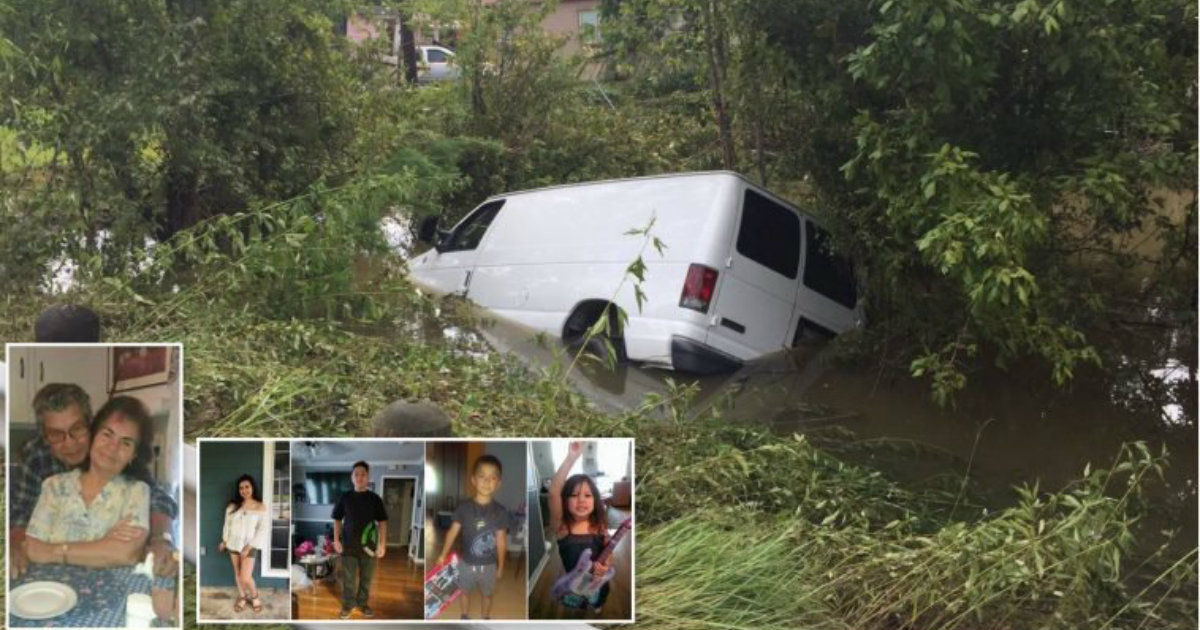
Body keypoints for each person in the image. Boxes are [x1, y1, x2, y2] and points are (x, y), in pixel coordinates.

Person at [9, 384, 180, 581]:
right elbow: (23, 516)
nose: (70, 443)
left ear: (90, 425)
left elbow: (157, 498)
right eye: (56, 434)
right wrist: (16, 546)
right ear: (45, 436)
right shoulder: (39, 462)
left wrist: (161, 539)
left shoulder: (127, 475)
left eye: (77, 429)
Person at [23, 396, 154, 568]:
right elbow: (32, 549)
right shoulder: (54, 486)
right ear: (93, 436)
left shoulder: (137, 492)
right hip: (50, 591)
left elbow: (124, 554)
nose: (112, 447)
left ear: (134, 455)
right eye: (107, 434)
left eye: (126, 443)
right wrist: (102, 545)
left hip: (108, 593)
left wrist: (53, 551)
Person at [436, 454, 509, 620]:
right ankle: (464, 616)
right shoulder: (463, 508)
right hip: (466, 563)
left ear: (498, 483)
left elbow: (501, 541)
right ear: (473, 480)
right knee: (464, 592)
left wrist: (501, 566)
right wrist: (442, 554)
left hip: (489, 566)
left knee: (488, 595)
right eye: (482, 476)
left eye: (492, 478)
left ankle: (485, 619)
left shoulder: (501, 512)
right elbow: (452, 532)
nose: (486, 481)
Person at [548, 441, 612, 615]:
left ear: (595, 500)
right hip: (574, 583)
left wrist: (605, 566)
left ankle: (598, 604)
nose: (582, 500)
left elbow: (608, 551)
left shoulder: (599, 526)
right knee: (578, 601)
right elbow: (554, 492)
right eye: (574, 495)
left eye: (587, 495)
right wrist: (571, 457)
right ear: (564, 501)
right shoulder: (562, 528)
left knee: (598, 597)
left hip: (597, 581)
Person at [332, 460, 388, 620]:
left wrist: (382, 544)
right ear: (352, 477)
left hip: (369, 548)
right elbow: (337, 519)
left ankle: (363, 604)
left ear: (368, 477)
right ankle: (348, 605)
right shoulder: (345, 497)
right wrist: (336, 540)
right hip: (348, 547)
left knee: (366, 579)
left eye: (363, 474)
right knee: (348, 580)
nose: (360, 477)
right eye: (356, 474)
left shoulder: (375, 499)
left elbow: (383, 521)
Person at [218, 474, 269, 614]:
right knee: (237, 573)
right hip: (233, 543)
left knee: (245, 576)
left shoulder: (260, 506)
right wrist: (224, 541)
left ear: (252, 487)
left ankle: (255, 596)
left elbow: (262, 529)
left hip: (250, 545)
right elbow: (227, 525)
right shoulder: (232, 506)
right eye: (241, 488)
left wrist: (249, 546)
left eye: (247, 487)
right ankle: (242, 597)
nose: (244, 490)